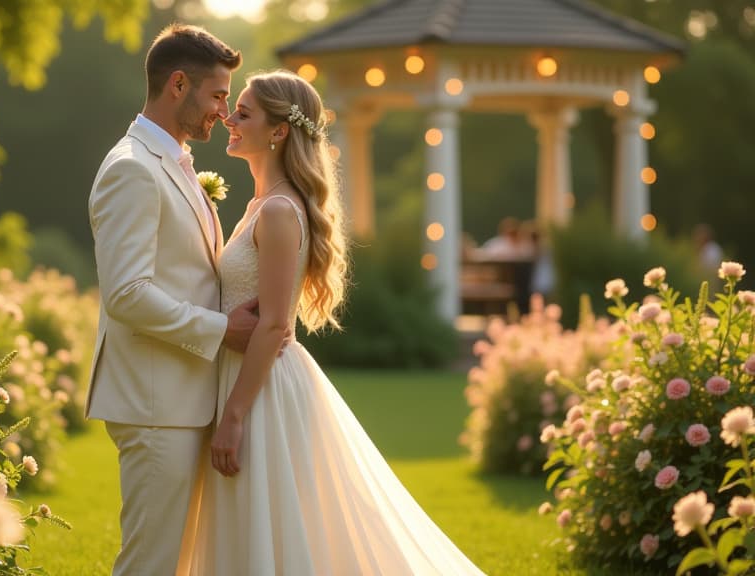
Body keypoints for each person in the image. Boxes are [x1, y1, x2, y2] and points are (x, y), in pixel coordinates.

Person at [184, 70, 487, 575]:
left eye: (243, 112)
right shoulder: (259, 205)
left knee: (274, 524)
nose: (228, 119)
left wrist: (234, 416)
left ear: (279, 131)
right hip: (239, 379)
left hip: (260, 390)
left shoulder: (279, 211)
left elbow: (277, 325)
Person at [85, 24, 262, 576]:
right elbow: (126, 293)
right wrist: (220, 329)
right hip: (155, 404)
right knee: (151, 565)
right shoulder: (133, 170)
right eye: (217, 95)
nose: (224, 110)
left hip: (181, 398)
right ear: (178, 85)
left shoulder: (173, 163)